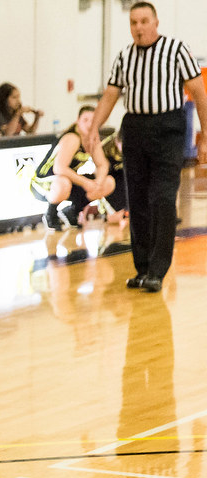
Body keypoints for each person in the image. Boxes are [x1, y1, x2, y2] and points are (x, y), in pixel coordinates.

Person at [86, 1, 207, 293]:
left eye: (143, 21)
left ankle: (158, 269)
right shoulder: (124, 56)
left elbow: (199, 93)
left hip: (168, 128)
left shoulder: (177, 50)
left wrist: (205, 133)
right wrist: (92, 130)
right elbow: (111, 95)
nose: (138, 28)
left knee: (163, 199)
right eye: (133, 23)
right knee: (137, 201)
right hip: (135, 129)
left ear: (155, 22)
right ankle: (142, 268)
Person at [30, 107, 116, 260]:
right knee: (64, 183)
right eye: (85, 120)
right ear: (77, 120)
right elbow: (59, 168)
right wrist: (85, 183)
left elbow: (103, 165)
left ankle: (73, 211)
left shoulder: (92, 139)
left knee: (108, 183)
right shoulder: (72, 137)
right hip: (44, 181)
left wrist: (98, 181)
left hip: (68, 180)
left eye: (92, 120)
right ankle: (51, 213)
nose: (89, 124)